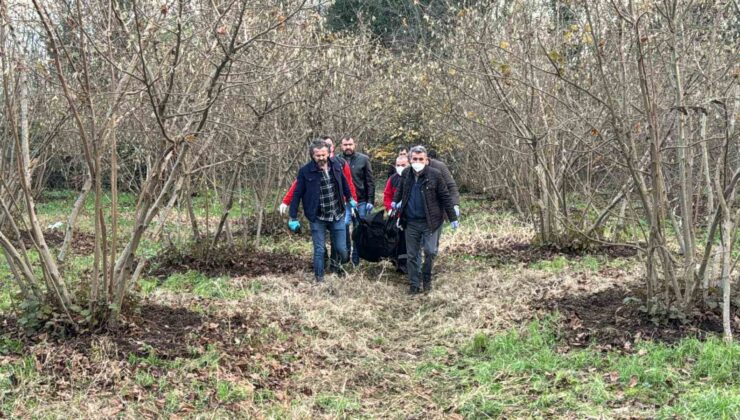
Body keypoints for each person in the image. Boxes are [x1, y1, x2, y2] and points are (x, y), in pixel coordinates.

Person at [391, 145, 458, 294]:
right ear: (410, 159)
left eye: (421, 159)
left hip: (430, 221)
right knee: (412, 255)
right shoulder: (406, 174)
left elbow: (445, 197)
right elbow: (400, 190)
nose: (417, 161)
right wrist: (395, 202)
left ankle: (426, 279)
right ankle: (414, 285)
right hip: (411, 221)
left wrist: (452, 216)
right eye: (414, 159)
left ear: (426, 160)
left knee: (430, 251)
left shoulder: (435, 175)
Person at [288, 140, 356, 282]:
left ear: (328, 153)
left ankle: (338, 267)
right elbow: (297, 194)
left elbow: (344, 183)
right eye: (317, 155)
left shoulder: (336, 165)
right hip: (317, 216)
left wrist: (350, 198)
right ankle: (319, 280)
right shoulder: (305, 172)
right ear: (313, 155)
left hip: (337, 214)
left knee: (342, 250)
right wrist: (292, 217)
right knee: (319, 250)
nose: (321, 158)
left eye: (323, 155)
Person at [279, 136, 357, 215]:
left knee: (345, 224)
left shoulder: (341, 163)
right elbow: (297, 185)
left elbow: (349, 183)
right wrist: (286, 201)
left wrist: (353, 201)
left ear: (332, 147)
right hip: (319, 208)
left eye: (328, 145)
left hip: (340, 205)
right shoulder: (312, 166)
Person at [340, 136, 375, 266]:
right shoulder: (337, 160)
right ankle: (345, 257)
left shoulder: (364, 159)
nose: (348, 147)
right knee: (343, 229)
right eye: (345, 144)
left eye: (350, 144)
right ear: (341, 146)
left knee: (359, 230)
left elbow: (370, 181)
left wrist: (370, 200)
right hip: (343, 203)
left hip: (360, 201)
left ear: (354, 145)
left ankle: (356, 259)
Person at [384, 155, 409, 273]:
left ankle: (406, 264)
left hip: (409, 216)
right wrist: (389, 208)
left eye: (403, 165)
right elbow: (387, 195)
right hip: (395, 215)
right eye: (398, 165)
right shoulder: (393, 179)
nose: (400, 168)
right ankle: (396, 261)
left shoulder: (412, 178)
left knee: (406, 241)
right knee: (395, 239)